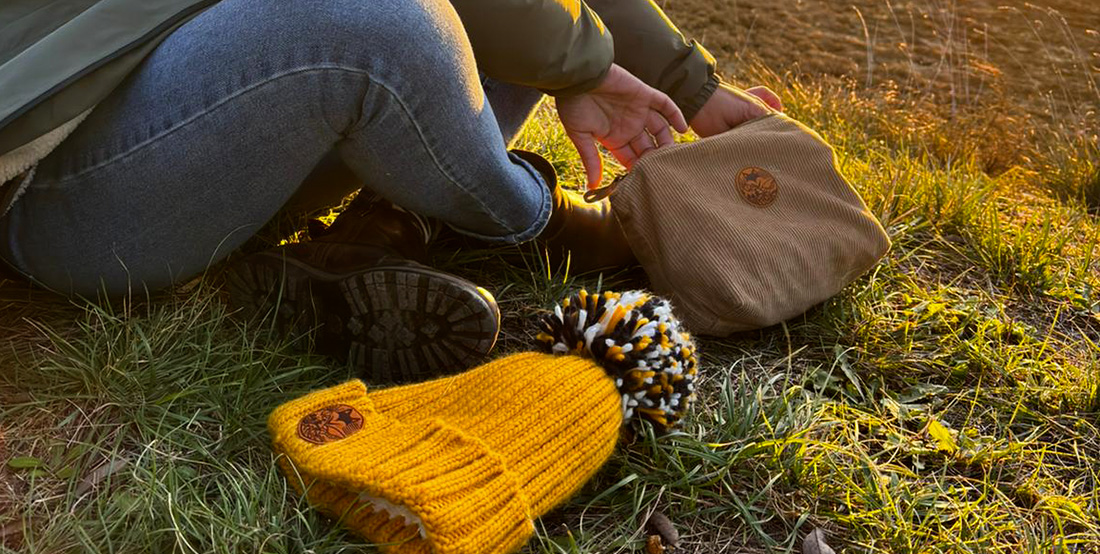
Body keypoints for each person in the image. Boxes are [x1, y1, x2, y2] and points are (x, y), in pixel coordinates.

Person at [0, 0, 780, 381]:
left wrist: (688, 84)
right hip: (57, 179)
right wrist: (582, 66)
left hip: (202, 117)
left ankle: (376, 238)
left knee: (506, 27)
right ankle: (533, 221)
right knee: (379, 22)